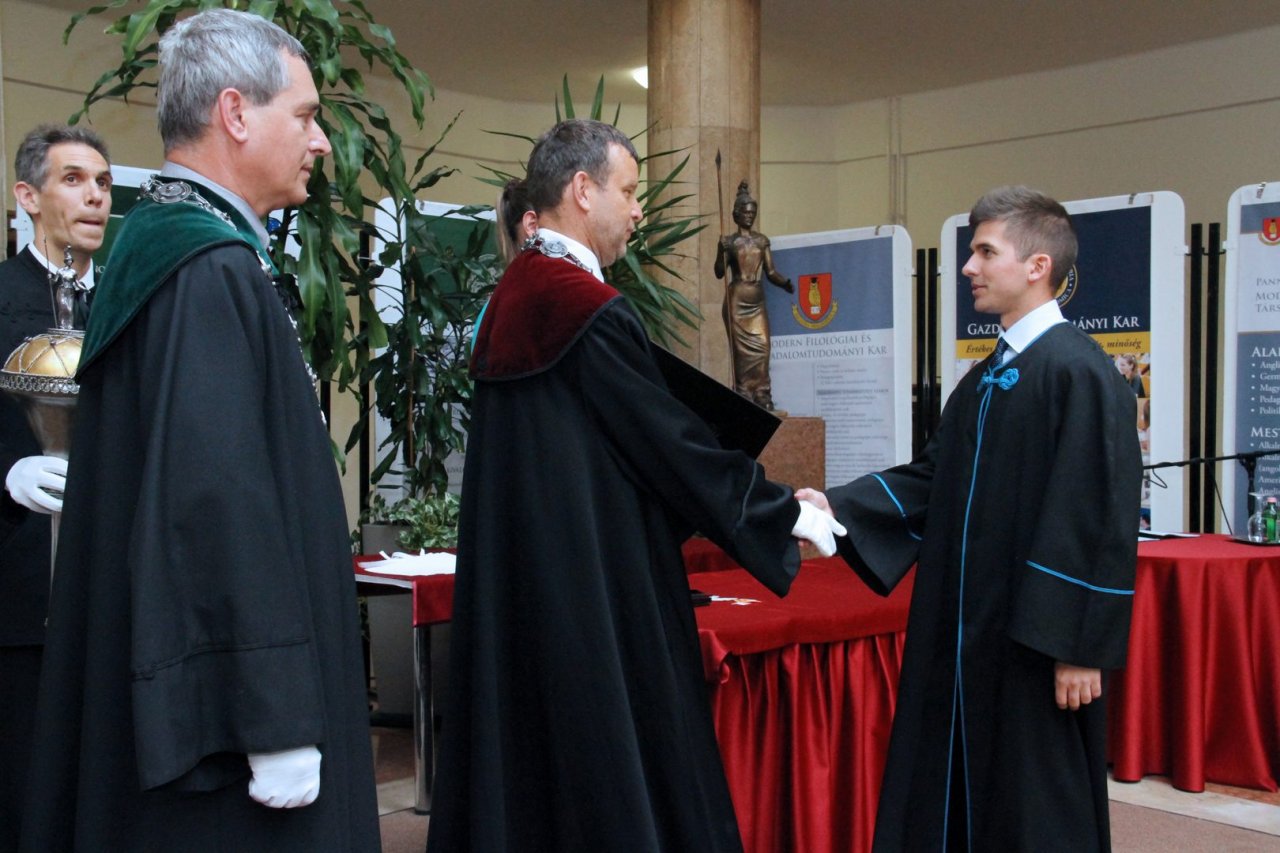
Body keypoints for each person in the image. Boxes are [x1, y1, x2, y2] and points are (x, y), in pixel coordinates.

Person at [427, 118, 845, 852]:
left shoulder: (514, 296)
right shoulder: (585, 308)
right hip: (593, 594)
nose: (639, 210)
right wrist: (781, 511)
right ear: (582, 190)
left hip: (526, 586)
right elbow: (670, 447)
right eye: (629, 191)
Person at [20, 10, 379, 851]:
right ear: (235, 113)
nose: (319, 141)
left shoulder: (173, 250)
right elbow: (216, 500)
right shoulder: (206, 270)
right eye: (305, 114)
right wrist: (274, 718)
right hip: (227, 753)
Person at [799, 186, 1142, 851]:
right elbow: (935, 479)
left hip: (1033, 642)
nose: (967, 267)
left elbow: (1097, 512)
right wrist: (838, 507)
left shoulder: (1080, 372)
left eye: (985, 252)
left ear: (1038, 265)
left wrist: (1079, 646)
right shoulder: (988, 377)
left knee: (1032, 800)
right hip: (965, 634)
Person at [0, 123, 110, 853]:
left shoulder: (130, 305)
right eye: (73, 180)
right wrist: (5, 472)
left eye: (102, 182)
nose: (95, 196)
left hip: (110, 595)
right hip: (17, 599)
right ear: (28, 196)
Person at [714, 180, 793, 410]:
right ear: (736, 215)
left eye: (752, 213)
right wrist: (720, 251)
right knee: (740, 353)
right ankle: (744, 393)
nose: (749, 217)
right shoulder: (730, 242)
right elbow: (719, 273)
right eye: (746, 213)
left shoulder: (761, 240)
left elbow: (771, 272)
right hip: (737, 298)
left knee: (763, 347)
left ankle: (762, 393)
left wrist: (785, 283)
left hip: (756, 298)